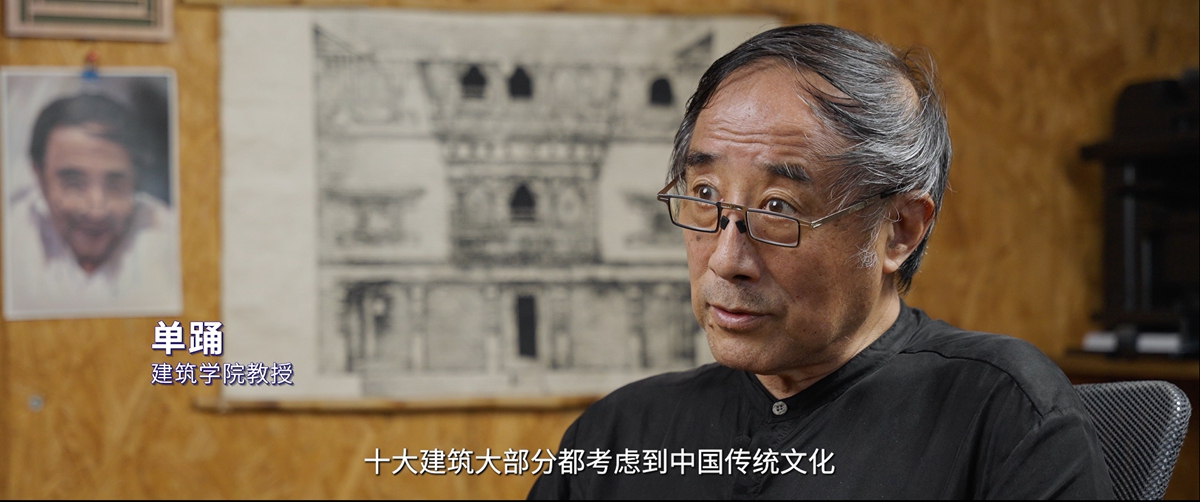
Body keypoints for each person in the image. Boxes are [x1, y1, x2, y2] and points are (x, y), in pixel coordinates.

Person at [528, 24, 1112, 499]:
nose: (726, 260)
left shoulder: (999, 411)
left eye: (778, 208)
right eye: (705, 195)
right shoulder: (621, 435)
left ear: (899, 230)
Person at [6, 93, 180, 318]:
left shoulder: (172, 239)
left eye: (115, 184)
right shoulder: (11, 241)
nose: (97, 211)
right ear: (39, 177)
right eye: (73, 183)